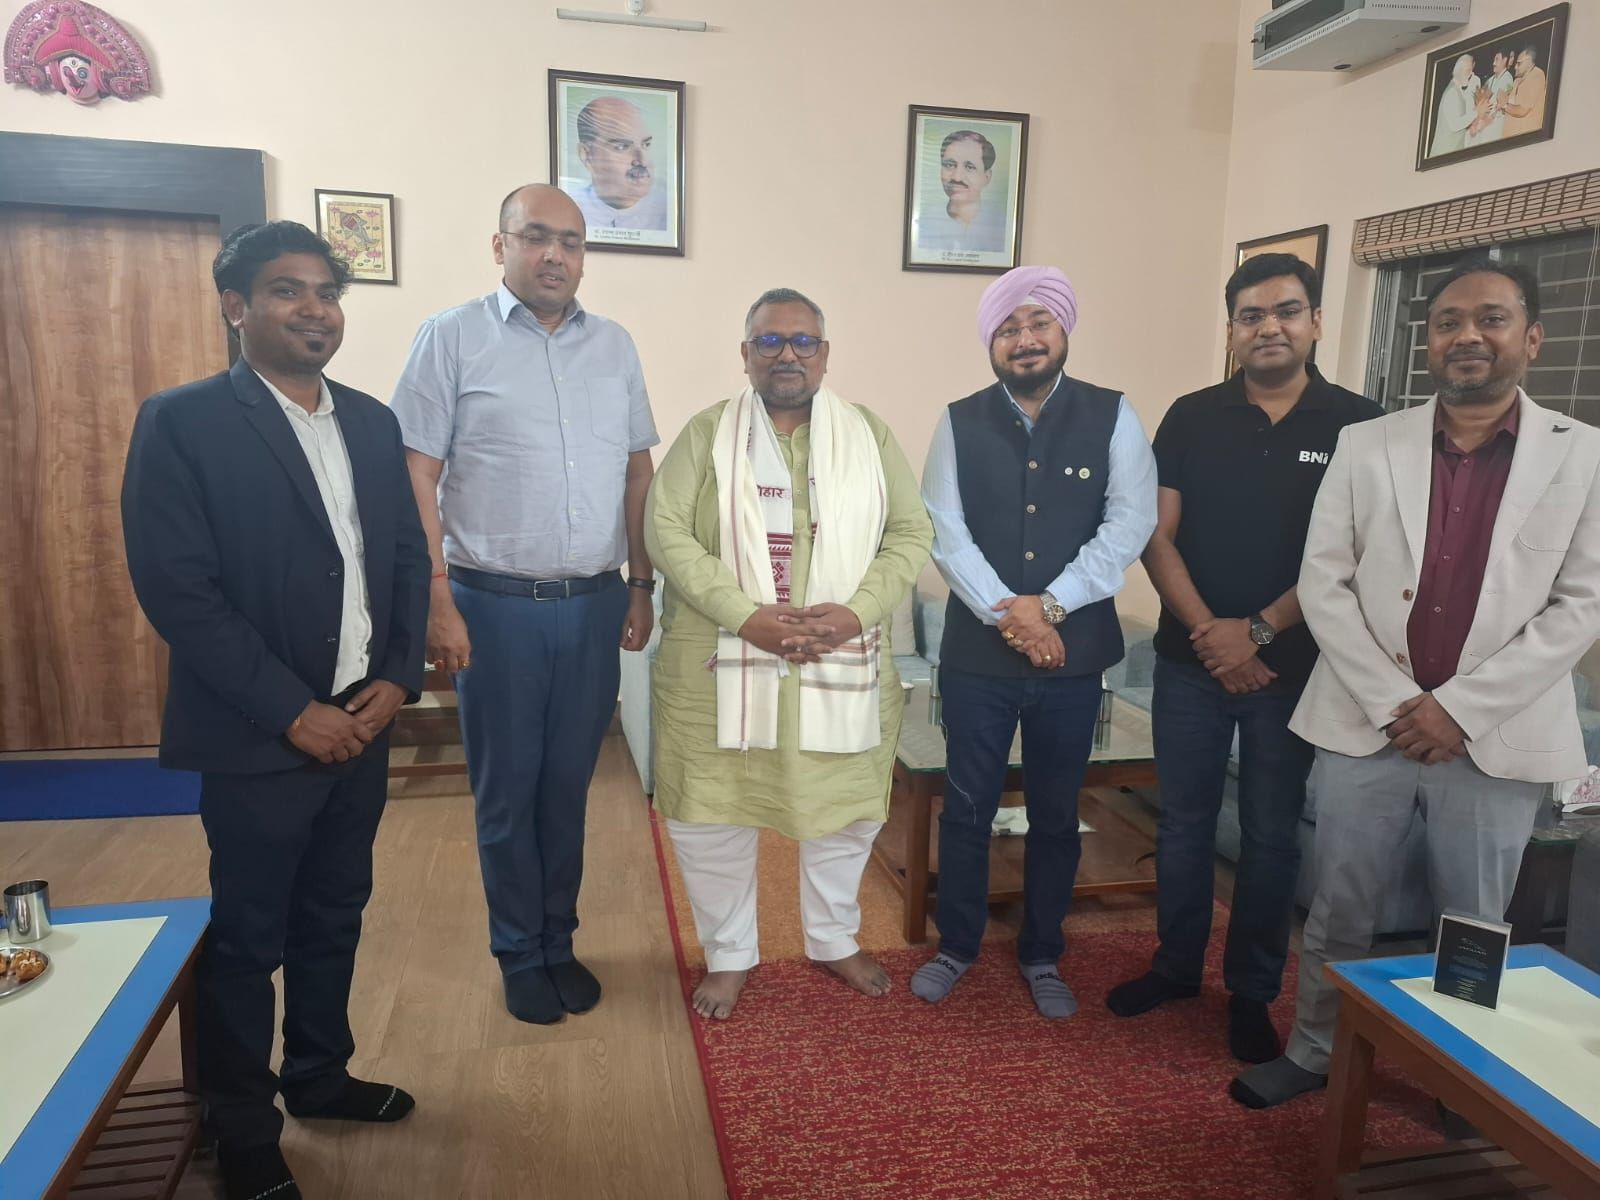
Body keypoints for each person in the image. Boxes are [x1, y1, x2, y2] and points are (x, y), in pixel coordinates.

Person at [1232, 260, 1600, 1108]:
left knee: (1472, 924)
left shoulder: (1582, 455)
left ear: (1531, 338)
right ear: (1428, 340)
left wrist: (1458, 711)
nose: (1468, 335)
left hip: (1494, 737)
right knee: (1339, 909)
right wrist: (1400, 706)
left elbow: (1580, 606)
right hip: (1367, 724)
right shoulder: (1369, 443)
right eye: (1447, 322)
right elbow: (1324, 580)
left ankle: (1458, 1076)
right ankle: (1315, 1050)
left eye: (1491, 319)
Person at [121, 221, 429, 1200]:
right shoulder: (183, 421)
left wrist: (398, 676)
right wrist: (291, 711)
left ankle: (320, 1076)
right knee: (249, 938)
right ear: (236, 306)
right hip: (260, 734)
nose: (314, 310)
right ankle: (243, 1127)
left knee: (336, 912)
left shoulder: (370, 422)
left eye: (327, 293)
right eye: (288, 290)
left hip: (362, 721)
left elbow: (404, 556)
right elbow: (178, 590)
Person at [391, 184, 659, 1025]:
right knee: (509, 791)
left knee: (568, 788)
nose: (555, 255)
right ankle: (518, 951)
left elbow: (638, 473)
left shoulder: (613, 346)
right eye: (537, 236)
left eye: (571, 242)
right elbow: (415, 473)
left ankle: (557, 941)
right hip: (493, 606)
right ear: (500, 245)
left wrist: (642, 584)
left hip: (593, 602)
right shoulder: (451, 336)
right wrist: (437, 598)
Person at [1104, 254, 1382, 1063]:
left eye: (1286, 311)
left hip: (1291, 674)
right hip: (1189, 666)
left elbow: (1354, 552)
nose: (1269, 327)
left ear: (1317, 321)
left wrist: (1255, 634)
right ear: (1231, 330)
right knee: (1183, 826)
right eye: (1251, 315)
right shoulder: (1192, 416)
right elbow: (1155, 535)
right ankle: (1175, 967)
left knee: (1270, 838)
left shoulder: (1360, 425)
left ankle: (1253, 993)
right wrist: (1212, 636)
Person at [646, 287, 932, 1020]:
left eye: (803, 341)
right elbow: (665, 531)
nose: (787, 354)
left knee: (843, 812)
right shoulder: (707, 434)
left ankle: (833, 938)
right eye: (770, 341)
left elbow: (910, 532)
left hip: (841, 656)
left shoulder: (868, 435)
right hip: (719, 659)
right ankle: (729, 953)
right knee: (712, 814)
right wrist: (746, 617)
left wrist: (855, 613)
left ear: (825, 355)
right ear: (745, 355)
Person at [913, 266, 1158, 1018]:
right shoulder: (957, 420)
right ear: (991, 342)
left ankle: (1043, 950)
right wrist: (1012, 617)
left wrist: (1049, 606)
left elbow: (1130, 522)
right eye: (1008, 328)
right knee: (966, 807)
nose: (1024, 339)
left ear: (1063, 330)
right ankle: (956, 945)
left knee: (1056, 812)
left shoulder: (1112, 414)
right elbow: (944, 531)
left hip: (1072, 658)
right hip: (977, 658)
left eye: (1038, 323)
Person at [571, 95, 668, 233]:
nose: (642, 161)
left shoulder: (667, 212)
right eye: (622, 147)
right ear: (586, 155)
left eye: (646, 145)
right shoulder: (568, 211)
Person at [917, 130, 1007, 254]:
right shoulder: (924, 222)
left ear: (987, 177)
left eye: (969, 167)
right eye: (949, 165)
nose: (957, 177)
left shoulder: (1002, 225)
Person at [1429, 54, 1480, 158]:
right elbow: (1455, 125)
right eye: (1468, 71)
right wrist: (1476, 112)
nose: (1471, 74)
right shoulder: (1452, 93)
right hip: (1443, 154)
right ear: (1459, 71)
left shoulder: (1459, 91)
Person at [1464, 49, 1515, 147]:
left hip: (1495, 121)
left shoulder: (1507, 78)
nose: (1493, 63)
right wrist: (1476, 119)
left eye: (1497, 59)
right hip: (1483, 118)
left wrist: (1484, 121)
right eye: (1494, 60)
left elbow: (1499, 105)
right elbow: (1481, 99)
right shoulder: (1490, 80)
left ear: (1505, 60)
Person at [1500, 46, 1548, 139]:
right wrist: (1502, 105)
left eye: (1519, 63)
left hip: (1526, 138)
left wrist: (1504, 105)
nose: (1515, 67)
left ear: (1529, 61)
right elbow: (1509, 107)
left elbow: (1522, 110)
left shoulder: (1537, 76)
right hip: (1509, 138)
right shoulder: (1516, 81)